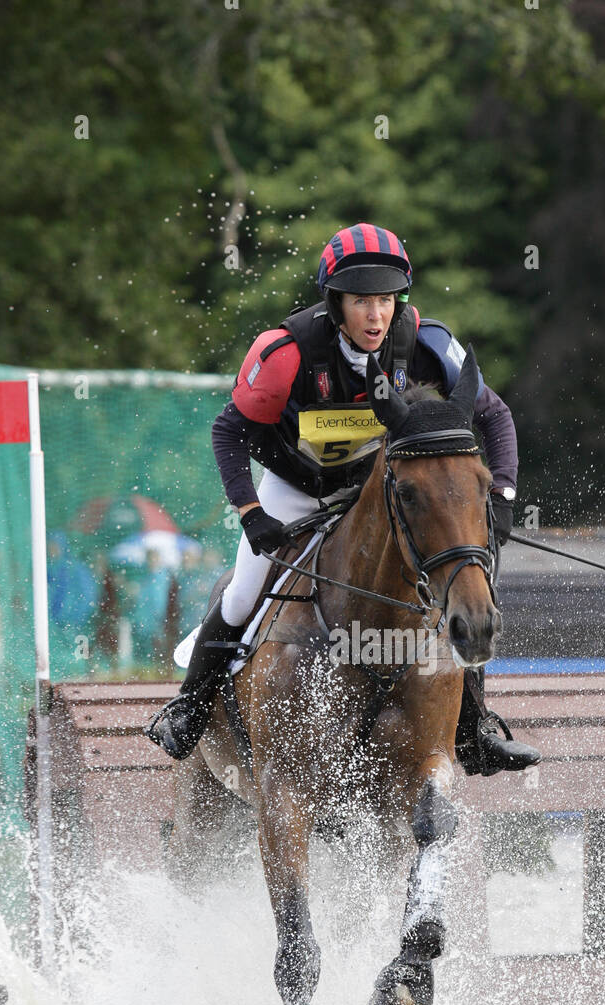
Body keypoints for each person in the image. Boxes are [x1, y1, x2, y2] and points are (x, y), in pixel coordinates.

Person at [146, 222, 536, 775]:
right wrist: (250, 512)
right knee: (241, 594)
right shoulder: (285, 354)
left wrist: (502, 494)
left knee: (459, 585)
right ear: (335, 303)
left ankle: (474, 728)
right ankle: (191, 706)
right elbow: (227, 432)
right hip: (296, 487)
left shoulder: (428, 345)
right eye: (361, 303)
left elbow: (494, 416)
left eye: (385, 301)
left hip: (382, 492)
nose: (376, 317)